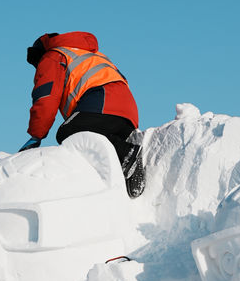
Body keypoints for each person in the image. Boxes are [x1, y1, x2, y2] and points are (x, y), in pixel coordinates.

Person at [19, 30, 145, 197]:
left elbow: (46, 97)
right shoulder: (88, 54)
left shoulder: (53, 56)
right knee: (93, 141)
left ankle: (127, 153)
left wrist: (36, 135)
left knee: (68, 131)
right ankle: (123, 170)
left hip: (101, 100)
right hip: (127, 109)